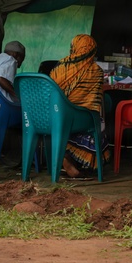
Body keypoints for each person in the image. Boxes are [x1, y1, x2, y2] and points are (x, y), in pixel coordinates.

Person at [50, 33, 107, 180]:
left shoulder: (61, 66)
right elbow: (95, 101)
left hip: (54, 117)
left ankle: (66, 157)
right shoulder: (96, 70)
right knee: (99, 123)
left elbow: (51, 91)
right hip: (81, 119)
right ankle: (76, 160)